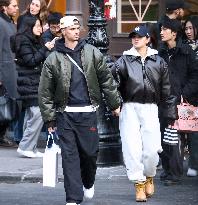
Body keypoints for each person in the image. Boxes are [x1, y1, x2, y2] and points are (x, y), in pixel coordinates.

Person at [38, 16, 121, 205]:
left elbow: (106, 80)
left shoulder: (92, 52)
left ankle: (88, 182)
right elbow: (45, 91)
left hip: (88, 112)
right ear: (63, 31)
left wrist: (115, 104)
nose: (77, 31)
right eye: (72, 28)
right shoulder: (53, 58)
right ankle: (73, 199)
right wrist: (50, 120)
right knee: (70, 158)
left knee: (90, 154)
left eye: (78, 27)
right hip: (65, 115)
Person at [111, 24, 177, 202]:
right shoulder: (123, 61)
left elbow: (166, 90)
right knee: (132, 149)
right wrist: (115, 104)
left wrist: (170, 115)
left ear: (148, 39)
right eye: (133, 36)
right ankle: (139, 184)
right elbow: (111, 85)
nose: (136, 38)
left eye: (139, 36)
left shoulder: (158, 61)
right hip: (130, 107)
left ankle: (149, 176)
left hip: (151, 108)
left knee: (151, 150)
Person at [159, 18, 198, 185]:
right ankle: (168, 170)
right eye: (160, 29)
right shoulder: (160, 52)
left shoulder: (187, 52)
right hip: (163, 101)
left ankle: (174, 173)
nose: (161, 32)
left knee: (175, 138)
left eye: (165, 29)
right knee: (165, 137)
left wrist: (183, 94)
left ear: (174, 33)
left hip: (182, 101)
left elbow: (195, 75)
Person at [11, 17, 53, 158]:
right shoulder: (23, 40)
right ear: (28, 27)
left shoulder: (34, 40)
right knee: (37, 114)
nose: (40, 29)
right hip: (29, 82)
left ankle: (30, 147)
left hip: (34, 81)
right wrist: (45, 48)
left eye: (40, 26)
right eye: (36, 26)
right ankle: (25, 146)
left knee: (32, 115)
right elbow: (31, 61)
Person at [0, 0, 19, 147]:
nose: (17, 8)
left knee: (9, 104)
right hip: (4, 71)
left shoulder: (11, 23)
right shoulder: (1, 23)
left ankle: (2, 135)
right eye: (14, 6)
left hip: (11, 69)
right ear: (4, 7)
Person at [183, 16, 198, 177]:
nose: (188, 32)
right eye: (186, 28)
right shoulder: (183, 47)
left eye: (191, 28)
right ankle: (193, 163)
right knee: (192, 131)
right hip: (188, 95)